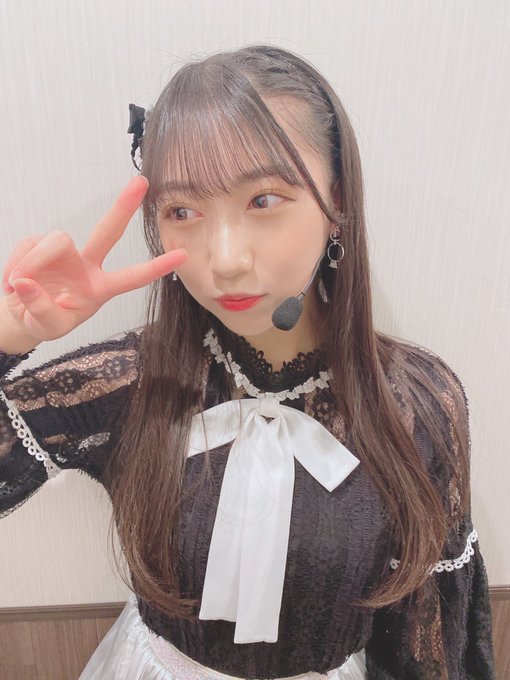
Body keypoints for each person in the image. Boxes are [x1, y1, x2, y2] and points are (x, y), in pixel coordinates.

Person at [0, 45, 495, 679]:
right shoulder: (131, 381)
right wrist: (7, 339)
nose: (226, 259)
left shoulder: (417, 402)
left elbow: (431, 637)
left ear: (337, 202)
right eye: (183, 212)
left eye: (263, 200)